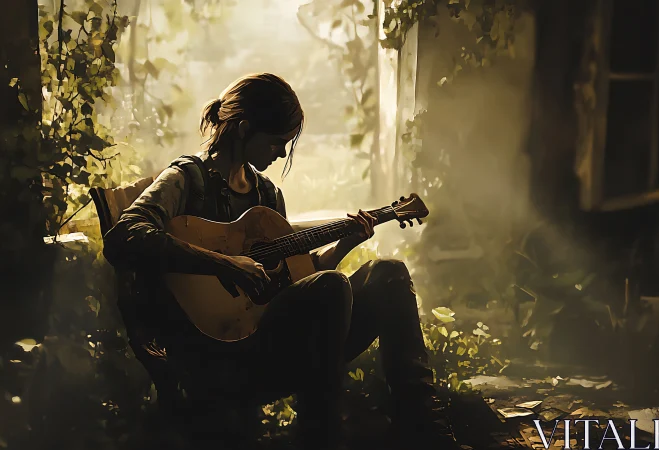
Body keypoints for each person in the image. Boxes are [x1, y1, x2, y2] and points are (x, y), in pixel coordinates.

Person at [102, 73, 460, 450]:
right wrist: (224, 264)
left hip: (271, 341)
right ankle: (321, 437)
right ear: (243, 129)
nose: (281, 153)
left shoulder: (268, 196)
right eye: (276, 142)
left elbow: (299, 284)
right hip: (215, 354)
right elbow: (125, 235)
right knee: (334, 286)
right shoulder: (187, 179)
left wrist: (344, 246)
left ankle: (426, 429)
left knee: (389, 273)